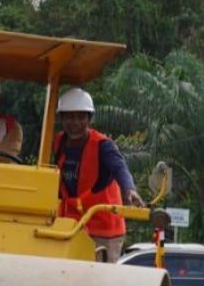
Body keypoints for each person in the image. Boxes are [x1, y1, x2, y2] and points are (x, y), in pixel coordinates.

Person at [53, 88, 144, 263]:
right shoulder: (58, 143)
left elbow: (120, 167)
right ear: (62, 119)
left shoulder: (103, 145)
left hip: (103, 229)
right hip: (71, 224)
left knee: (100, 279)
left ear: (89, 119)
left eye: (81, 117)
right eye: (70, 117)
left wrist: (129, 189)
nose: (75, 123)